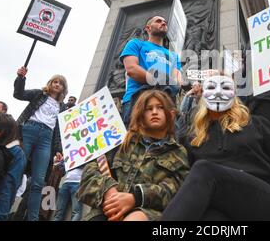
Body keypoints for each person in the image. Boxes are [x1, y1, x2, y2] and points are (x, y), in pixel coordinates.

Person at [162, 74, 270, 221]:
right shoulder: (192, 139)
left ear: (235, 94)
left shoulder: (256, 124)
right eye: (211, 87)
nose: (218, 92)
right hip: (223, 208)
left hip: (266, 201)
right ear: (202, 94)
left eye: (225, 87)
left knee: (204, 170)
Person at [77, 90, 189, 221]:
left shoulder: (178, 152)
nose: (154, 112)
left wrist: (135, 198)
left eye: (160, 107)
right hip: (106, 210)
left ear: (170, 114)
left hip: (147, 213)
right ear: (141, 115)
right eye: (149, 108)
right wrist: (108, 191)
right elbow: (90, 172)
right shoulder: (120, 142)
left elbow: (174, 191)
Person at [13, 66, 67, 221]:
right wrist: (20, 78)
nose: (57, 84)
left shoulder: (62, 107)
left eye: (60, 83)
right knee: (16, 171)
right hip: (29, 130)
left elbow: (59, 131)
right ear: (50, 83)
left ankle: (33, 218)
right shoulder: (39, 94)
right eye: (55, 81)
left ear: (63, 88)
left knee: (38, 182)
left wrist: (58, 149)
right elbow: (19, 94)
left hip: (46, 138)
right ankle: (0, 210)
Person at [119, 16, 183, 126]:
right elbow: (132, 69)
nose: (163, 23)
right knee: (136, 141)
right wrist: (162, 80)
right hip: (136, 100)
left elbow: (178, 82)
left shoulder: (174, 56)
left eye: (165, 22)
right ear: (148, 28)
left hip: (165, 105)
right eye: (158, 21)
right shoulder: (136, 44)